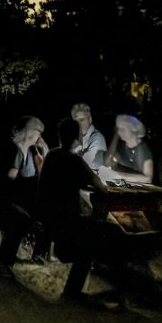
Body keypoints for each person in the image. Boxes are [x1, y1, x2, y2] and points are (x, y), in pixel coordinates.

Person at [39, 117, 122, 311]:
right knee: (112, 232)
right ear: (77, 137)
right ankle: (109, 287)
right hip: (66, 223)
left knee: (94, 230)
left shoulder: (51, 156)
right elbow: (101, 188)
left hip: (48, 218)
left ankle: (75, 288)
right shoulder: (75, 160)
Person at [0, 115, 48, 269]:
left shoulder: (29, 151)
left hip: (17, 200)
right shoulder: (15, 149)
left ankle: (8, 258)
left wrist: (42, 150)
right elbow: (9, 179)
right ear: (30, 132)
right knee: (21, 218)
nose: (39, 136)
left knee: (36, 215)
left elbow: (43, 170)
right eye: (38, 132)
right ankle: (2, 263)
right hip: (4, 199)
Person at [101, 114, 154, 184]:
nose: (119, 132)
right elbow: (106, 163)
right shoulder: (121, 147)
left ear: (133, 130)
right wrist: (115, 137)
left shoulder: (143, 149)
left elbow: (147, 179)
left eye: (122, 129)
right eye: (118, 129)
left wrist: (117, 175)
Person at [69, 102, 107, 169]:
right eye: (75, 121)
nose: (78, 124)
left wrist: (74, 150)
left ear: (90, 119)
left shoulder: (97, 138)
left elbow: (86, 165)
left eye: (82, 120)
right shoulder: (75, 137)